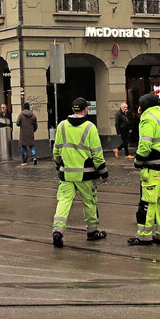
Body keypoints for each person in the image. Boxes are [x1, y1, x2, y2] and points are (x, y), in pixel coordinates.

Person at [51, 97, 108, 247]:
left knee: (63, 201)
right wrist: (103, 172)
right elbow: (97, 153)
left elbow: (56, 150)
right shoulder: (90, 127)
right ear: (85, 110)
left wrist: (58, 165)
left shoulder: (62, 126)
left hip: (66, 174)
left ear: (73, 110)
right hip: (86, 174)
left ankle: (58, 230)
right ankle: (92, 231)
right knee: (89, 202)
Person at [129, 92, 160, 246]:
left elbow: (144, 145)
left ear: (143, 107)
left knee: (148, 203)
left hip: (154, 168)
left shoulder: (147, 119)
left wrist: (138, 160)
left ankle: (144, 235)